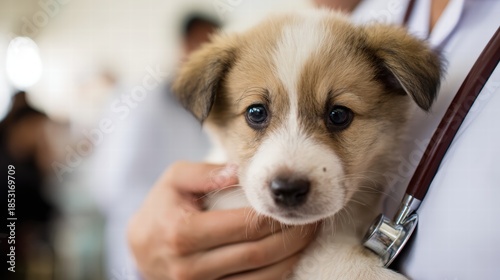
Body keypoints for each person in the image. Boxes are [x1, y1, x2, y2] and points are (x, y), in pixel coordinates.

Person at [128, 0, 500, 279]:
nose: (290, 168)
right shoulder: (365, 10)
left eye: (338, 116)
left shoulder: (374, 48)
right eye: (256, 114)